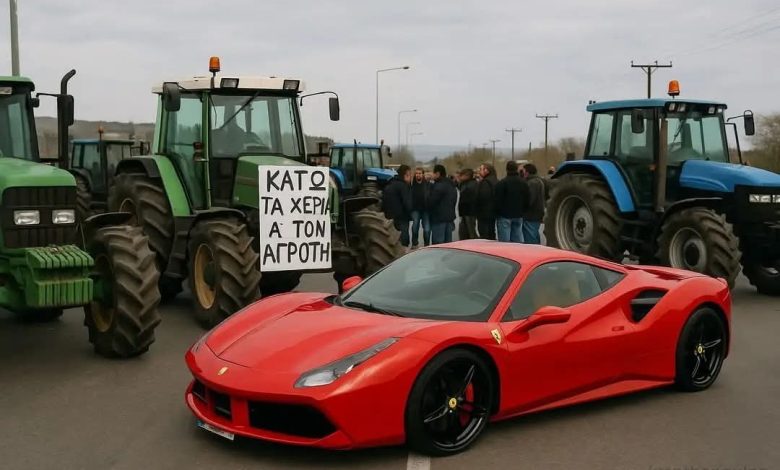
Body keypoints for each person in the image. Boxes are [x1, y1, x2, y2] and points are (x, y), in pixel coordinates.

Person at [494, 160, 530, 243]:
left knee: (504, 243)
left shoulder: (502, 183)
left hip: (504, 215)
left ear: (506, 169)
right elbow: (527, 198)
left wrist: (498, 212)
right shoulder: (523, 183)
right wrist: (523, 211)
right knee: (517, 242)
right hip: (518, 215)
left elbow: (497, 200)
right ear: (517, 169)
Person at [381, 164, 413, 248]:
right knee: (404, 240)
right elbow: (407, 203)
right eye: (409, 175)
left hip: (389, 217)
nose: (410, 177)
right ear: (405, 175)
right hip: (401, 217)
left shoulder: (390, 183)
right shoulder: (403, 186)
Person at [428, 165, 458, 244]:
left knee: (438, 244)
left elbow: (431, 202)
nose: (432, 175)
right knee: (448, 245)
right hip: (449, 218)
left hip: (439, 219)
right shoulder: (452, 185)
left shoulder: (438, 186)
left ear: (437, 173)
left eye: (433, 173)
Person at [522, 163, 545, 244]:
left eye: (523, 171)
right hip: (537, 213)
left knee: (530, 237)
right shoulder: (539, 181)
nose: (522, 173)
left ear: (527, 172)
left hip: (531, 215)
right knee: (534, 234)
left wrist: (522, 208)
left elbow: (529, 200)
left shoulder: (532, 183)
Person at [410, 167, 432, 248]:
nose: (418, 175)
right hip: (415, 209)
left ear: (422, 174)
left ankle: (426, 245)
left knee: (427, 229)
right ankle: (414, 243)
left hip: (425, 210)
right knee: (415, 226)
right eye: (416, 173)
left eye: (419, 173)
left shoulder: (428, 185)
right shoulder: (411, 185)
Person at [475, 163, 498, 240]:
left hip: (484, 213)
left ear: (487, 171)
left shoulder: (485, 182)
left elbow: (483, 197)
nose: (479, 171)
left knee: (484, 233)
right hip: (493, 212)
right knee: (491, 232)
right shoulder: (496, 181)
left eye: (481, 169)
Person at [457, 168, 479, 240]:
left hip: (469, 212)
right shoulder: (467, 184)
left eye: (461, 175)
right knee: (464, 231)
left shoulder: (471, 185)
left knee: (470, 232)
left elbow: (466, 199)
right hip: (466, 212)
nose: (459, 177)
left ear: (466, 176)